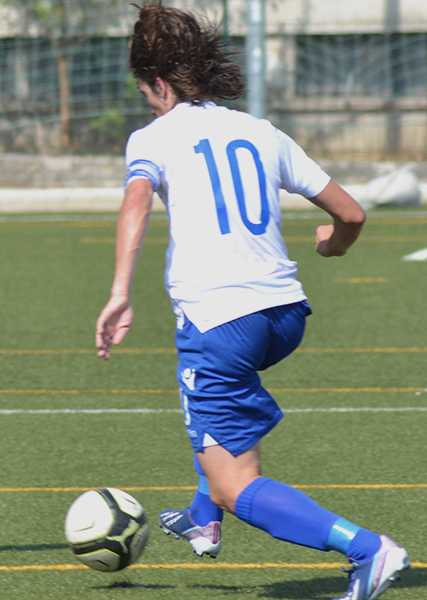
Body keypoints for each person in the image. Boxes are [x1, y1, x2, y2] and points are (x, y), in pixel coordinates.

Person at [95, 4, 408, 600]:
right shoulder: (261, 131)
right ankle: (200, 514)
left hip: (221, 322)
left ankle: (367, 548)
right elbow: (351, 214)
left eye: (145, 93)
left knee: (237, 482)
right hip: (285, 316)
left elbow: (136, 202)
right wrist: (332, 246)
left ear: (159, 83)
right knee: (214, 409)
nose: (147, 103)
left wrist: (119, 293)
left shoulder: (155, 136)